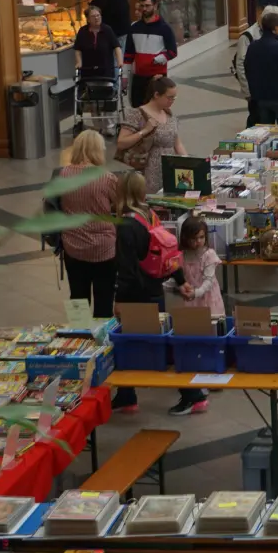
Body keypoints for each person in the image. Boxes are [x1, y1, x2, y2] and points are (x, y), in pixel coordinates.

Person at [108, 171, 205, 416]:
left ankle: (192, 395)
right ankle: (126, 395)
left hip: (136, 296)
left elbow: (126, 270)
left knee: (142, 345)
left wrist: (118, 300)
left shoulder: (126, 225)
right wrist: (180, 280)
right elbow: (166, 252)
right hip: (154, 290)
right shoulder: (149, 215)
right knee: (142, 342)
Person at [55, 130, 120, 319]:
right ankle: (102, 334)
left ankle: (79, 332)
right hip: (104, 249)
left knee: (77, 299)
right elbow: (119, 206)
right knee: (104, 300)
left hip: (73, 246)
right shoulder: (107, 178)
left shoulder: (64, 175)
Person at [117, 76, 185, 195]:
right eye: (169, 98)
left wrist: (187, 161)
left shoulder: (168, 113)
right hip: (149, 170)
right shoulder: (137, 114)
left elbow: (177, 143)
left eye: (174, 98)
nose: (172, 101)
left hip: (170, 169)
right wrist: (144, 131)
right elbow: (121, 143)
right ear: (156, 95)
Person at [244, 8, 278, 125]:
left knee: (265, 128)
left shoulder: (253, 46)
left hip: (261, 96)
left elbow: (247, 68)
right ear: (276, 28)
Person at [125, 0, 177, 108]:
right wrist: (125, 76)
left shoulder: (165, 28)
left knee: (157, 107)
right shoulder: (134, 28)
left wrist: (158, 59)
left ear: (155, 6)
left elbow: (172, 52)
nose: (144, 9)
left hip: (157, 76)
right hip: (138, 76)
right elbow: (128, 54)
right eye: (142, 6)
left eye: (147, 6)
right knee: (137, 106)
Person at [177, 216, 224, 317]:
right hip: (191, 301)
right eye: (194, 238)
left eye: (201, 237)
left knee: (212, 324)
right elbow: (178, 278)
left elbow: (208, 282)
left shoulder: (209, 254)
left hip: (209, 300)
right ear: (186, 238)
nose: (198, 241)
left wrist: (195, 293)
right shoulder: (182, 255)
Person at [74, 6, 122, 82]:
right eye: (93, 16)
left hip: (106, 70)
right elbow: (78, 49)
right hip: (88, 70)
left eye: (98, 15)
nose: (96, 18)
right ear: (88, 19)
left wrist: (119, 61)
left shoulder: (107, 30)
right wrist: (79, 62)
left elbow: (117, 47)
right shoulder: (83, 31)